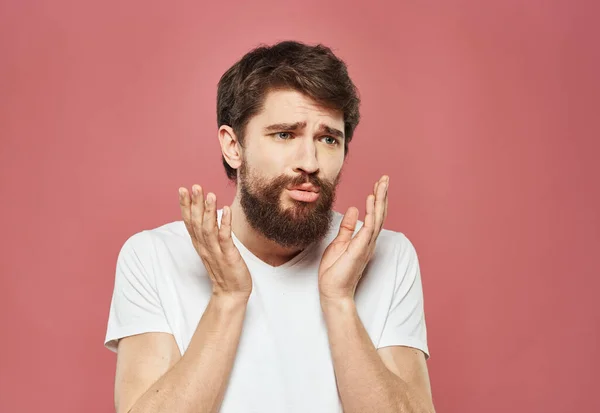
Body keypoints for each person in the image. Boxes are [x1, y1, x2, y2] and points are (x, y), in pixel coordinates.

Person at [104, 40, 435, 413]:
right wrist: (227, 300)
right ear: (233, 146)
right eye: (285, 134)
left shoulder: (387, 256)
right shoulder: (153, 257)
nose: (309, 161)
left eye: (328, 139)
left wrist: (340, 303)